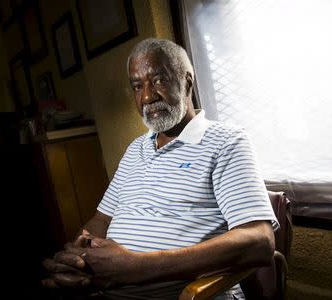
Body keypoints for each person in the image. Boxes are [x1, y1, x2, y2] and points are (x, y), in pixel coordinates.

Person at [42, 38, 278, 300]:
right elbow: (102, 219)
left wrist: (136, 268)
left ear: (187, 80)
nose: (146, 97)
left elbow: (260, 241)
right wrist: (78, 259)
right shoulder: (135, 149)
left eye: (158, 81)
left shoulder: (226, 141)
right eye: (136, 86)